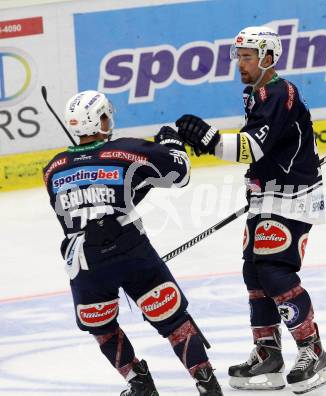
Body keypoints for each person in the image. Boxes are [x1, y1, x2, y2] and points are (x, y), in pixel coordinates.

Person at [175, 26, 326, 394]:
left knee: (276, 271)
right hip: (268, 195)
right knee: (254, 272)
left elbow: (251, 148)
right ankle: (268, 353)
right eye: (239, 56)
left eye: (247, 56)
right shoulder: (257, 95)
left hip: (294, 196)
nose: (240, 63)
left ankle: (314, 350)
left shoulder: (280, 92)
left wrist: (210, 141)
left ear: (267, 58)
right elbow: (263, 152)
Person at [43, 90, 223, 396]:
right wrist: (172, 144)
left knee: (101, 325)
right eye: (104, 114)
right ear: (98, 120)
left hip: (85, 261)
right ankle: (206, 382)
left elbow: (75, 215)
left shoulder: (52, 169)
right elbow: (180, 175)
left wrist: (125, 194)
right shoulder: (126, 151)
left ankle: (138, 382)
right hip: (131, 250)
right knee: (171, 316)